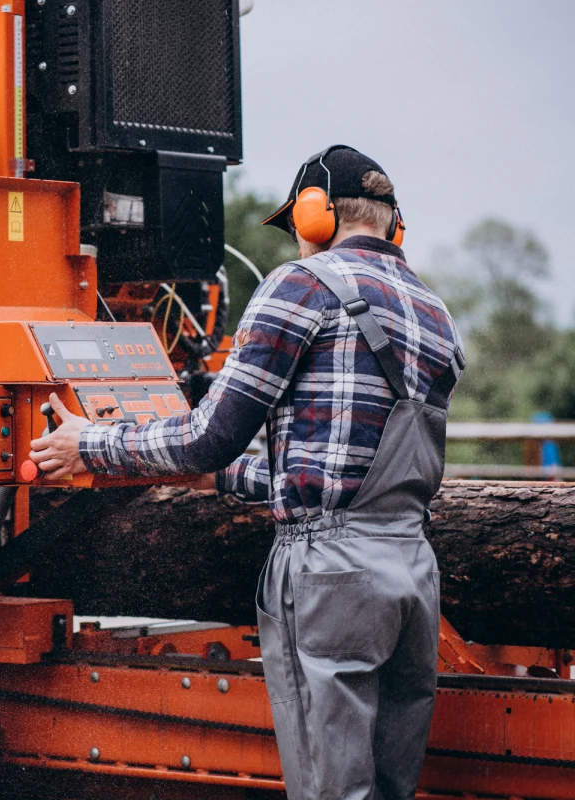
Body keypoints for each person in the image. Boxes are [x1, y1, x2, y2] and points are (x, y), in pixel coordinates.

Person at [28, 145, 463, 800]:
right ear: (392, 223)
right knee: (387, 789)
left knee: (330, 790)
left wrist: (90, 443)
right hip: (411, 572)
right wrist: (226, 479)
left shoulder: (302, 285)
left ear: (315, 215)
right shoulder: (435, 313)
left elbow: (209, 437)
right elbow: (351, 473)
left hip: (330, 576)